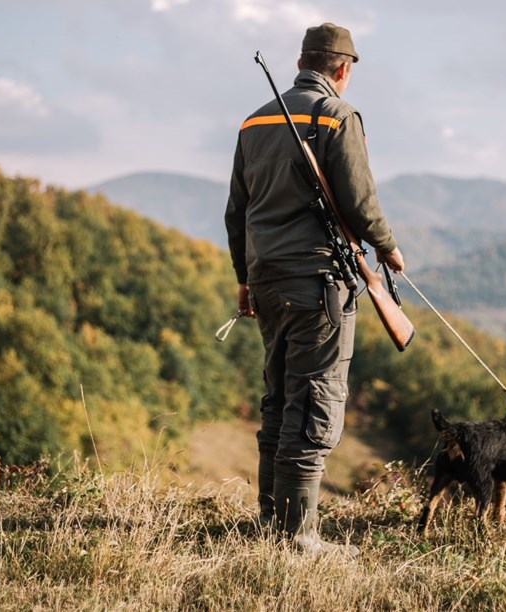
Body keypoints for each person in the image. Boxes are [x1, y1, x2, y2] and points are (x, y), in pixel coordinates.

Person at [224, 22, 405, 556]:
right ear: (342, 69)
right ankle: (299, 537)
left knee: (279, 400)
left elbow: (237, 211)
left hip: (266, 277)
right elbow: (359, 198)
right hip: (318, 281)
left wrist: (243, 278)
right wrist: (388, 247)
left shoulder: (253, 121)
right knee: (315, 400)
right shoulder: (338, 116)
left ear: (303, 61)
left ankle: (269, 524)